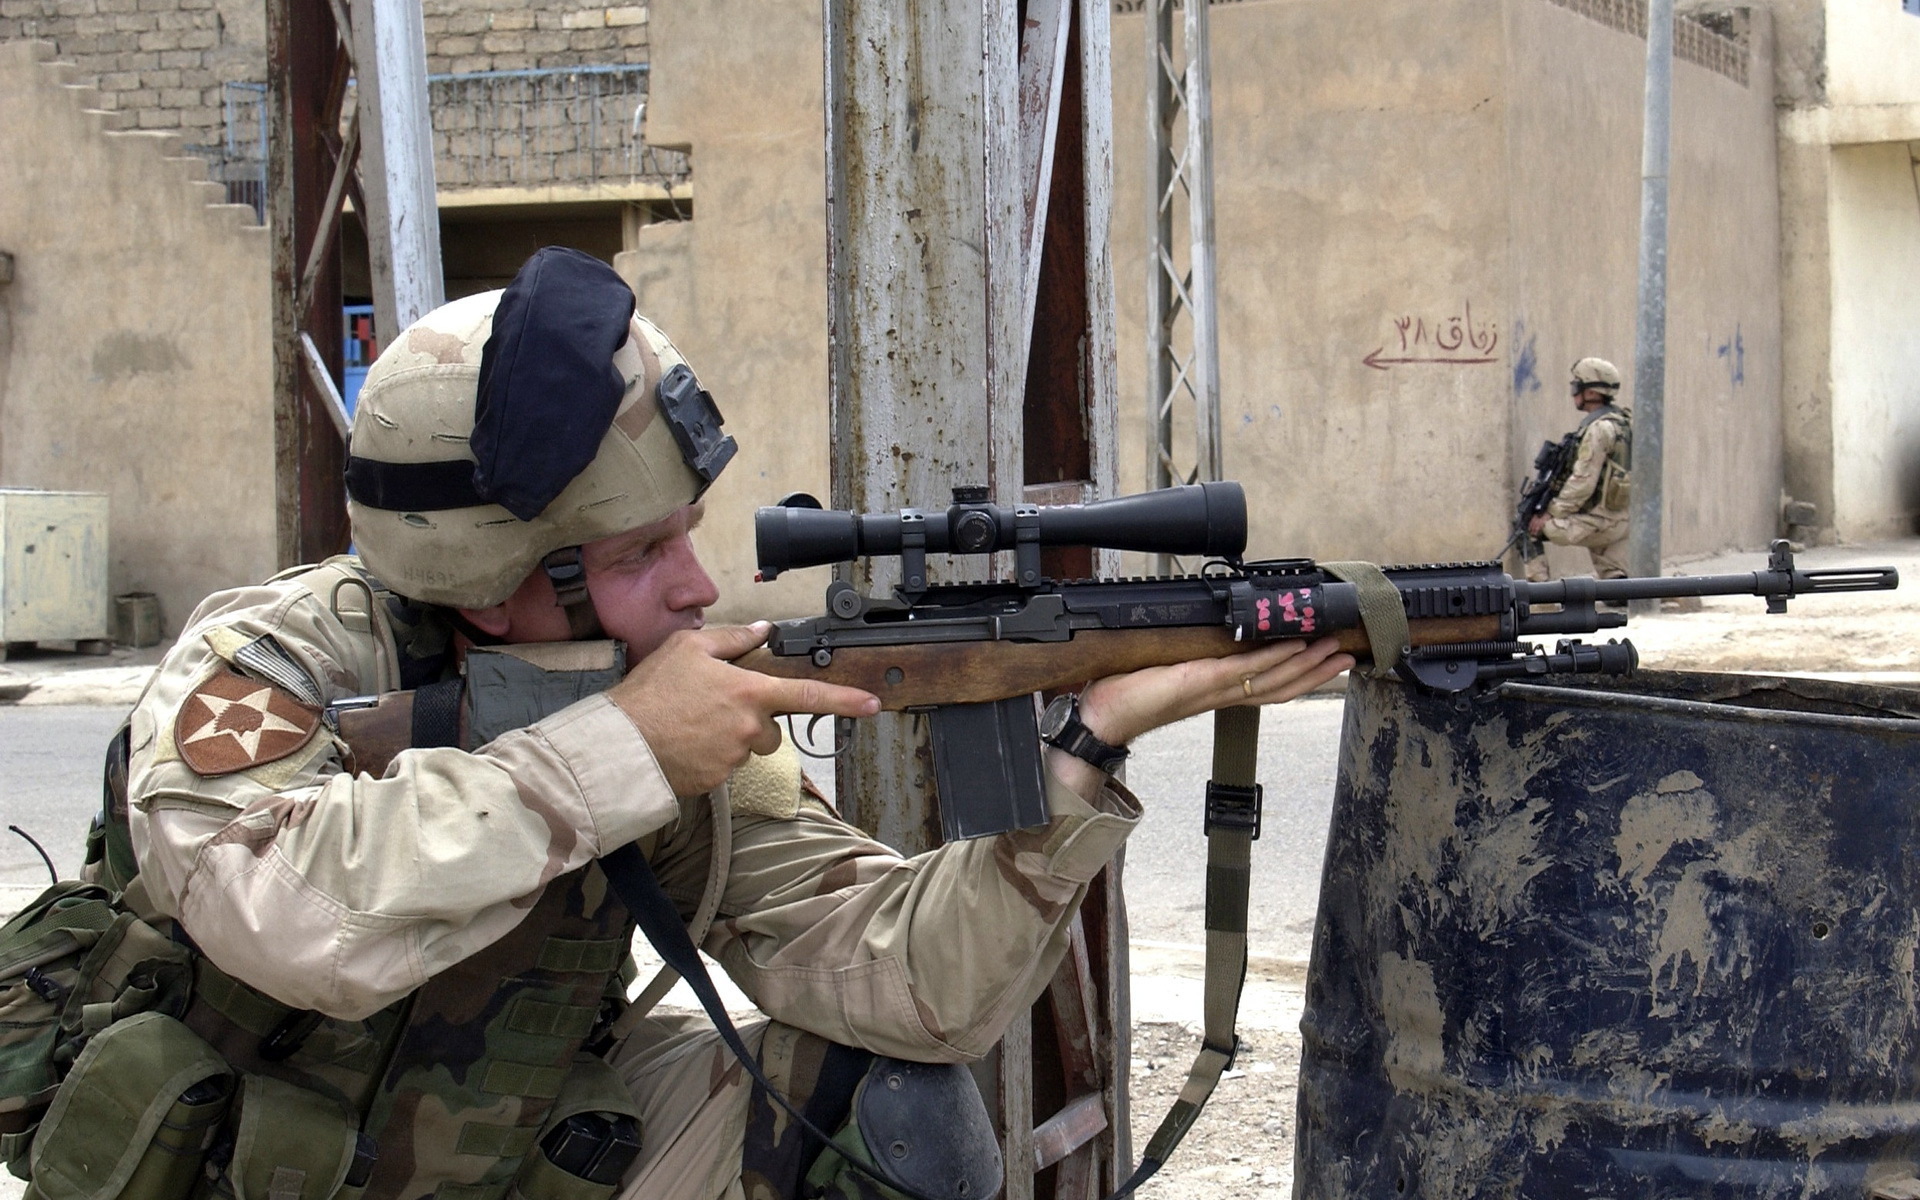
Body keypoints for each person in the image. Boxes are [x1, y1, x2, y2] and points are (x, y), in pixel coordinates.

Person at [97, 247, 1351, 1200]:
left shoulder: (654, 693)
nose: (699, 588)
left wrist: (1087, 746)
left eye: (689, 536)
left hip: (513, 1133)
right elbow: (292, 919)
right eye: (642, 553)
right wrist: (627, 752)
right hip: (238, 1156)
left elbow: (912, 988)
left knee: (885, 1109)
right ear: (492, 579)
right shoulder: (275, 659)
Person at [1525, 356, 1633, 583]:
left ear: (1591, 393)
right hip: (1623, 519)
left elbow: (1583, 482)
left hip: (1600, 522)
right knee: (1615, 582)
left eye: (1576, 387)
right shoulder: (1624, 422)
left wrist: (1551, 513)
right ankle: (1619, 585)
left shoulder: (1598, 430)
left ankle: (1539, 591)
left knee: (1528, 528)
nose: (1573, 393)